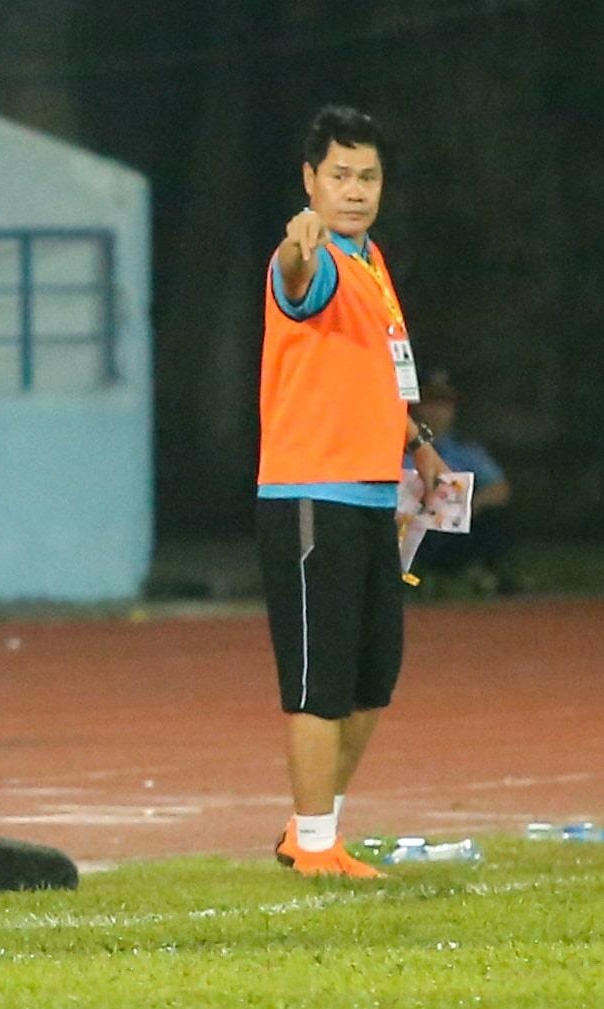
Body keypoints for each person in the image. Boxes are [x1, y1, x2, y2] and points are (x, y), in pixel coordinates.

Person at [257, 106, 449, 879]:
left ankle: (308, 826)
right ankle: (312, 848)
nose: (354, 189)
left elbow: (377, 376)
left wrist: (419, 444)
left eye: (366, 176)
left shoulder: (371, 263)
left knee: (372, 681)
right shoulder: (318, 259)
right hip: (312, 494)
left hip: (373, 499)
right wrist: (295, 247)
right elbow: (295, 279)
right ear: (310, 180)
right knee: (318, 682)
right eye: (338, 175)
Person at [410, 371, 518, 593]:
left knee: (497, 516)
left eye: (444, 404)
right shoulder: (401, 449)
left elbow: (500, 488)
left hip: (457, 527)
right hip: (414, 527)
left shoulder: (466, 450)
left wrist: (471, 504)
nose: (437, 412)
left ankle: (481, 574)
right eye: (431, 403)